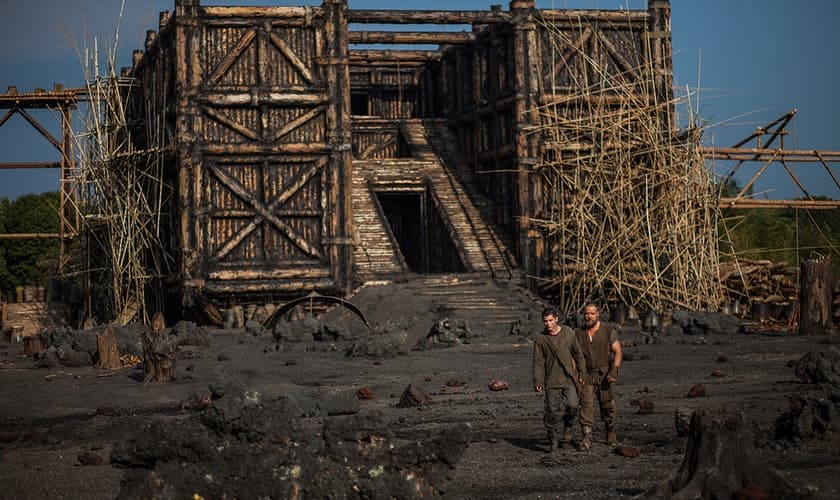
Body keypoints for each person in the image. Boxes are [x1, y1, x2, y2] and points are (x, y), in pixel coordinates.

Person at [533, 307, 585, 453]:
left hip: (569, 379)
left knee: (573, 405)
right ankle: (553, 440)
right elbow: (537, 362)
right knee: (551, 412)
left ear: (556, 319)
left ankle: (568, 427)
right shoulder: (541, 338)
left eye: (550, 320)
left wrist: (582, 372)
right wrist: (537, 381)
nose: (548, 324)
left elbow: (578, 353)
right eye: (545, 321)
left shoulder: (568, 333)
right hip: (551, 381)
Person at [575, 303, 623, 450]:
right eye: (586, 314)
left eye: (592, 313)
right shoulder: (578, 333)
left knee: (608, 406)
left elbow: (618, 351)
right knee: (585, 405)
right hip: (586, 375)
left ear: (598, 314)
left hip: (604, 375)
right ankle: (586, 437)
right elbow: (574, 355)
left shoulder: (608, 330)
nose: (588, 316)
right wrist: (575, 374)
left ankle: (611, 432)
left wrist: (614, 370)